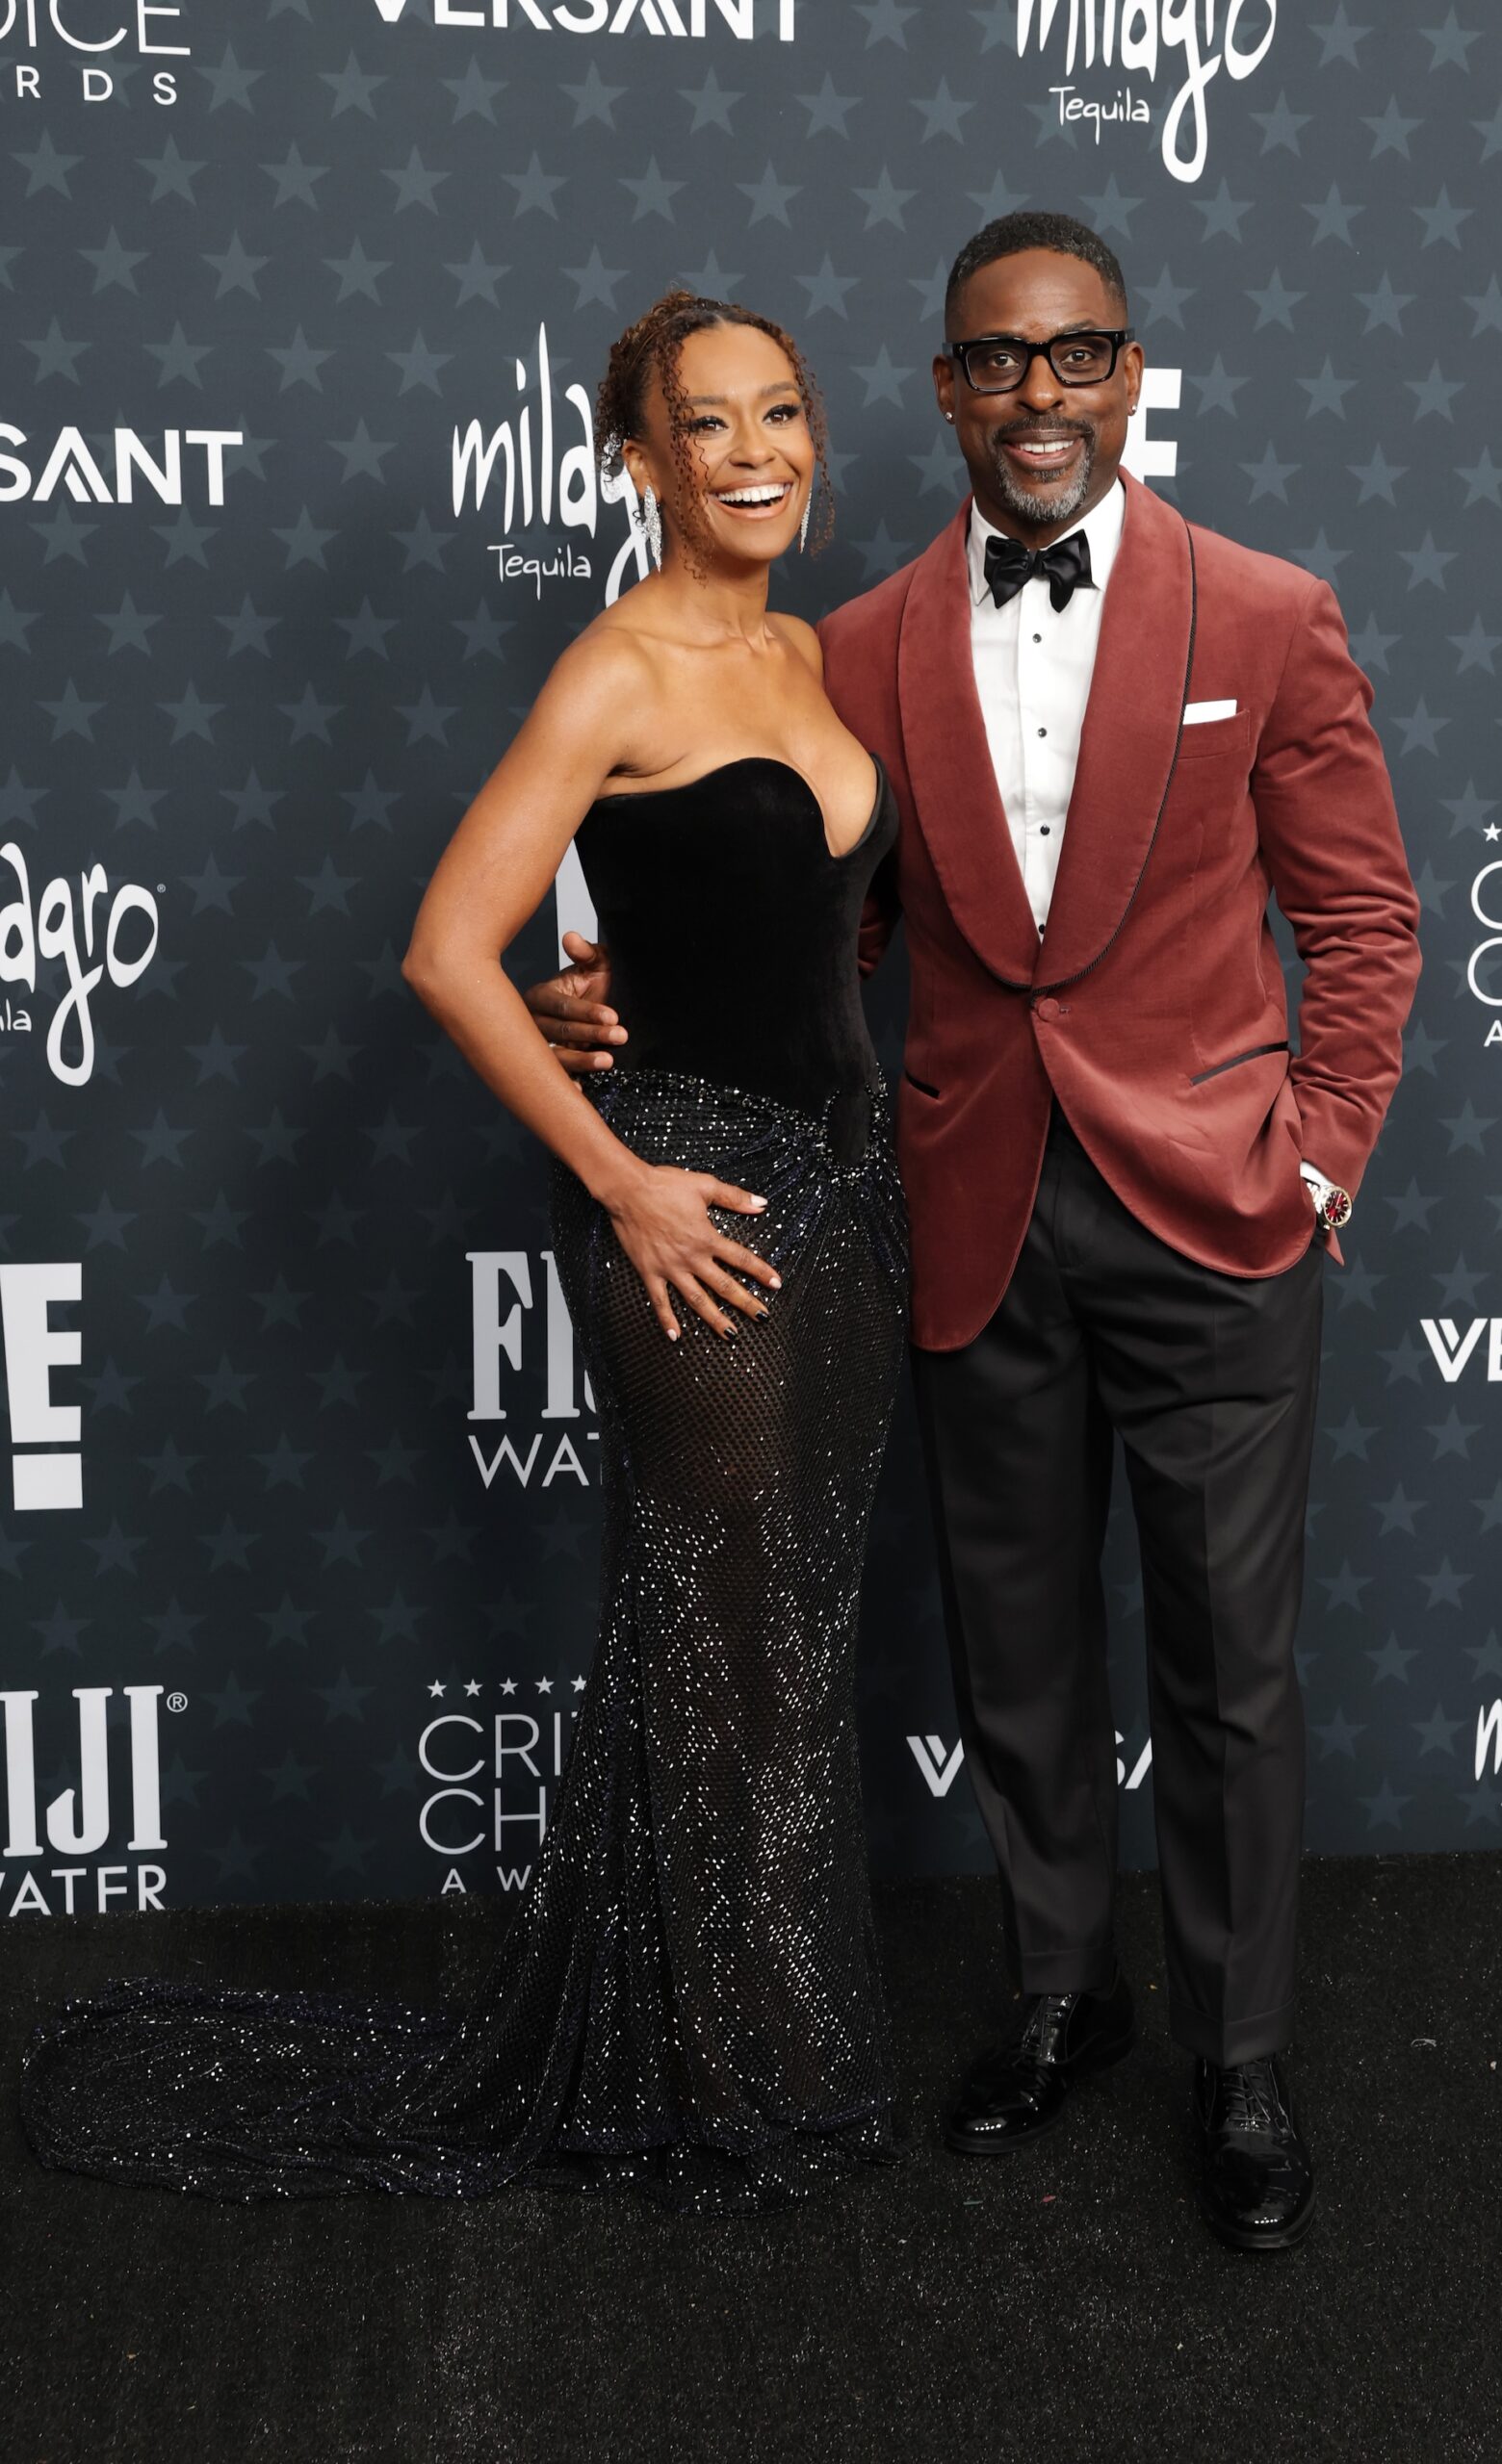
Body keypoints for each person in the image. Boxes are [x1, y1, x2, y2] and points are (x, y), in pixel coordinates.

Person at [530, 213, 1423, 2253]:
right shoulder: (855, 644)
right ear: (945, 390)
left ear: (1130, 373)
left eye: (1075, 353)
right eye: (996, 361)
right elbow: (806, 929)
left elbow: (1363, 917)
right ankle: (1058, 1991)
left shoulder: (1266, 612)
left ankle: (1238, 2055)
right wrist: (608, 1003)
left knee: (1227, 1670)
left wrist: (1316, 1161)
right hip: (966, 1212)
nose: (1038, 394)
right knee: (1017, 1649)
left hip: (1215, 1219)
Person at [18, 292, 909, 2218]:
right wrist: (621, 1176)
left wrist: (620, 977)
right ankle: (727, 2079)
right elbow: (445, 949)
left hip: (843, 1201)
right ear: (638, 460)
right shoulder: (615, 669)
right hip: (696, 1205)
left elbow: (779, 929)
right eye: (706, 423)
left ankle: (720, 2042)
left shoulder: (812, 652)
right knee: (717, 1643)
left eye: (779, 412)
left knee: (780, 1639)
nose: (755, 451)